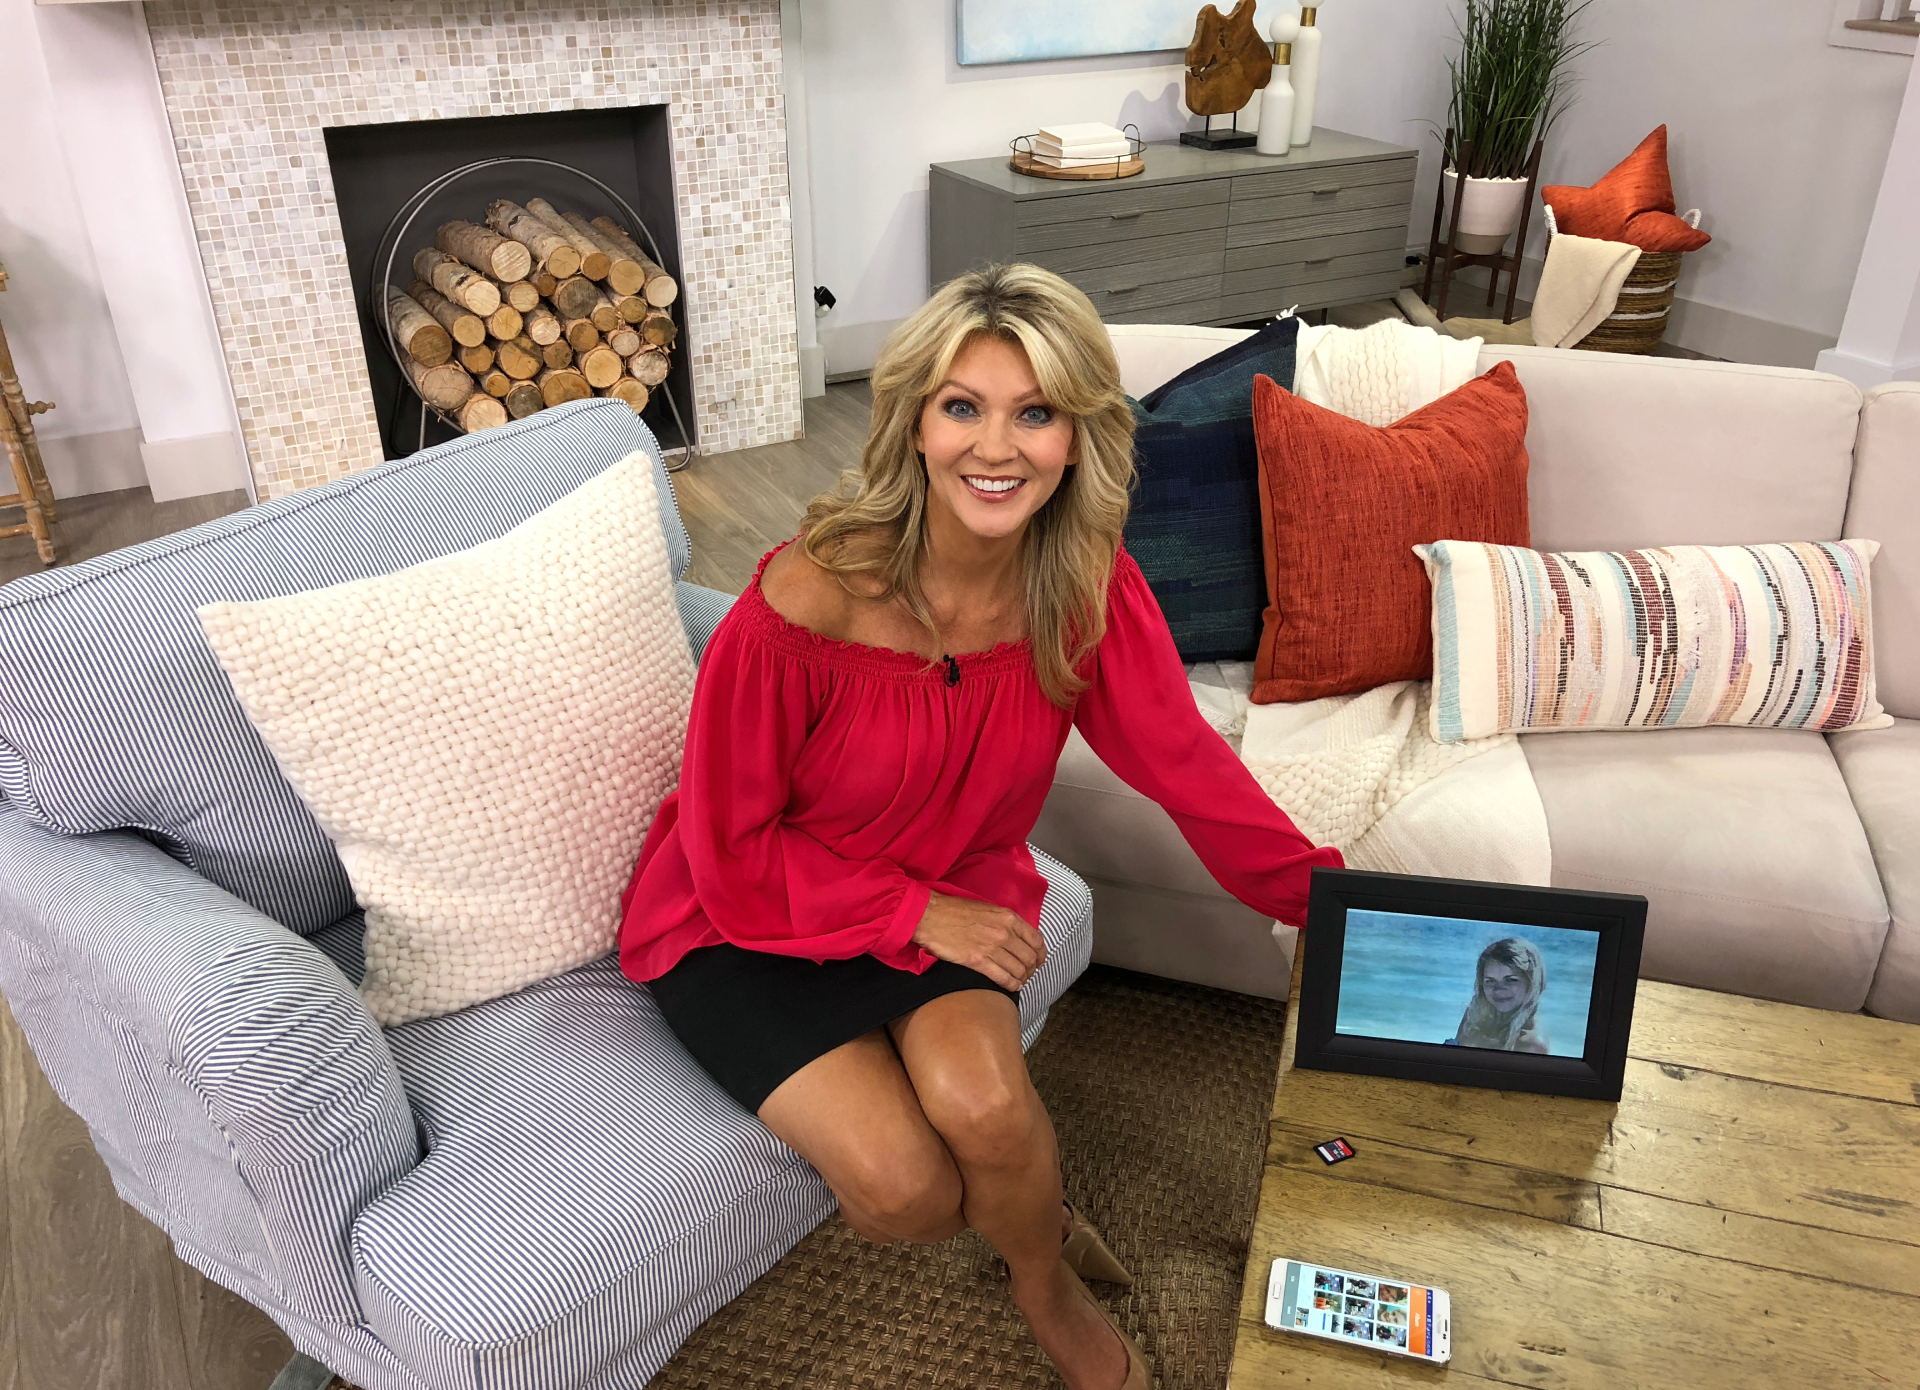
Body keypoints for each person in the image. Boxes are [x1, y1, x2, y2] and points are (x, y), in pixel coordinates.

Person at [618, 263, 1340, 1390]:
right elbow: (730, 852)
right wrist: (916, 911)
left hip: (949, 884)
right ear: (912, 422)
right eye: (963, 406)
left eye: (1034, 412)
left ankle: (1041, 1282)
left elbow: (1190, 768)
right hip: (746, 916)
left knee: (987, 1105)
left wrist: (1329, 903)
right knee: (910, 1194)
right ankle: (1036, 1229)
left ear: (1076, 437)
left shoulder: (1085, 589)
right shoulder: (803, 602)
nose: (995, 448)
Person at [1451, 937, 1550, 1053]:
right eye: (1490, 981)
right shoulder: (1473, 1016)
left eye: (1511, 980)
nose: (1499, 989)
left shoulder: (1531, 1044)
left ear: (1531, 983)